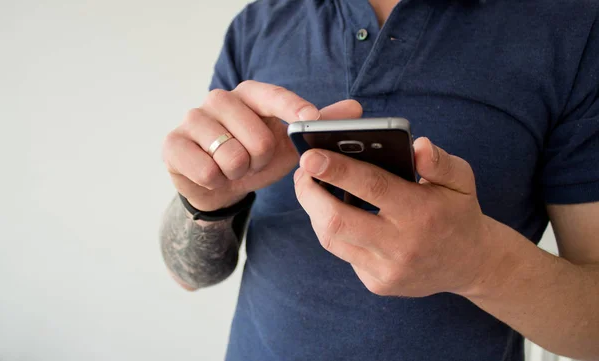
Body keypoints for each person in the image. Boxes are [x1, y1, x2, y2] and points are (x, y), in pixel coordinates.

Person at [159, 0, 599, 360]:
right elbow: (188, 276)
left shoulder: (573, 25)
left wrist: (480, 265)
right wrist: (206, 203)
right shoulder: (257, 24)